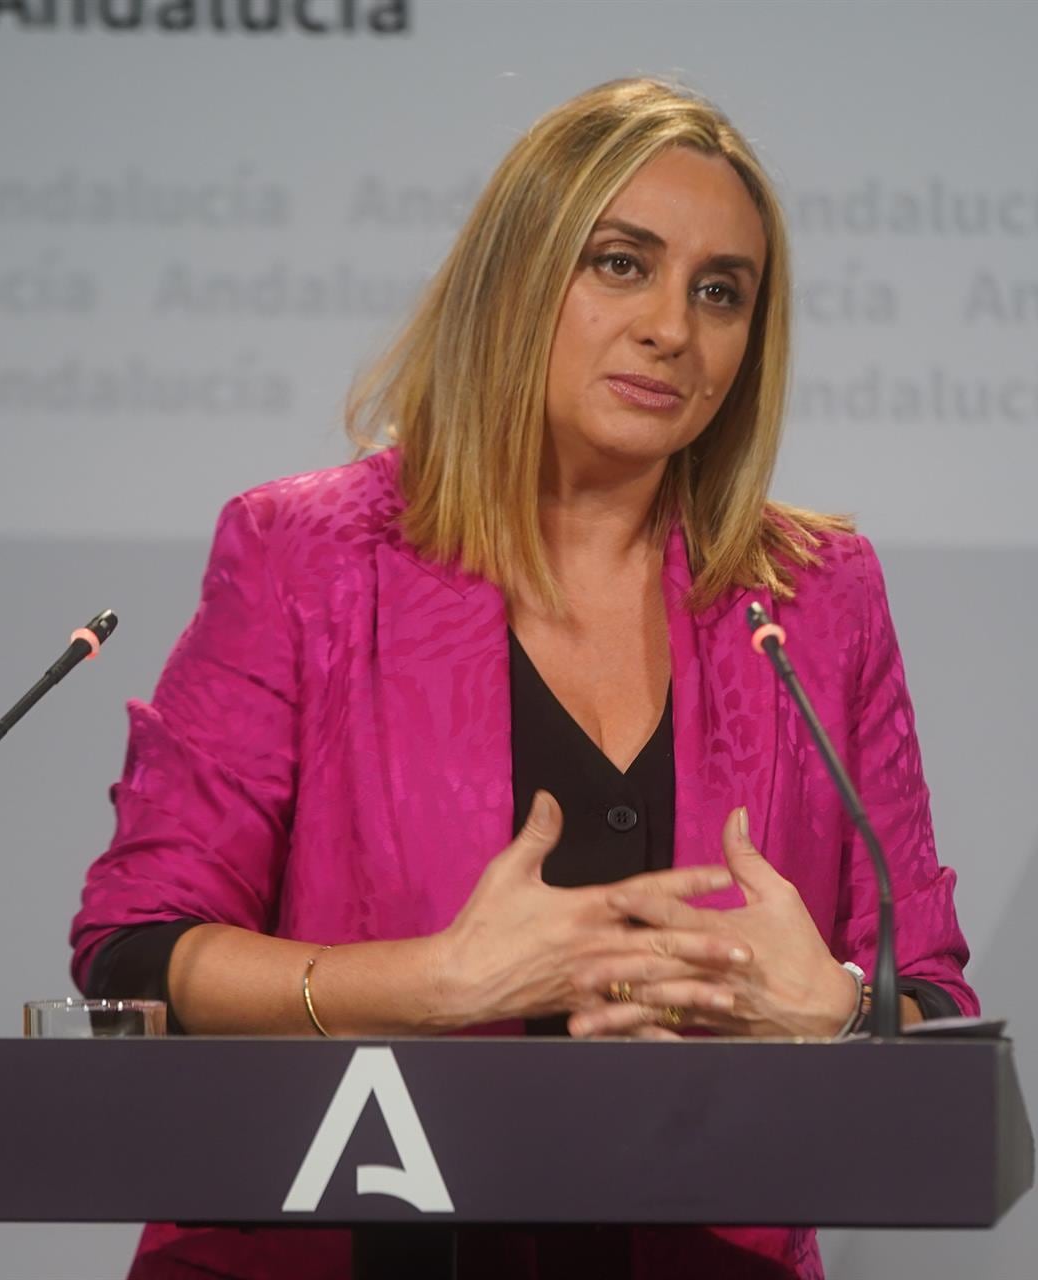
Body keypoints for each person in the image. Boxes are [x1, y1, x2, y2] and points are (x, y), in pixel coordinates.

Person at [70, 77, 976, 1280]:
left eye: (721, 292)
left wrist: (835, 1010)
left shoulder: (816, 595)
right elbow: (138, 946)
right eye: (621, 265)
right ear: (518, 277)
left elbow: (930, 991)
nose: (672, 327)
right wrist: (432, 982)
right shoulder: (309, 557)